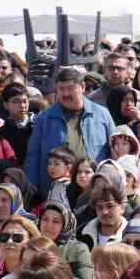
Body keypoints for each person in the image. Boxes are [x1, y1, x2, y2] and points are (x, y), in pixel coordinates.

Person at [24, 67, 112, 195]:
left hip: (93, 189)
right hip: (56, 190)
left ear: (82, 87)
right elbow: (33, 157)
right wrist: (32, 191)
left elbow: (113, 152)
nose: (65, 94)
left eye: (70, 88)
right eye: (61, 89)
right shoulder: (44, 118)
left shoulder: (102, 114)